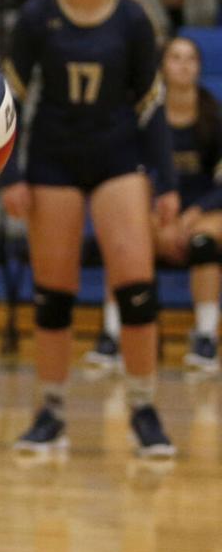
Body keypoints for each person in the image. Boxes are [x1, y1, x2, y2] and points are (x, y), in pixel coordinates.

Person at [1, 0, 178, 458]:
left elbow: (150, 105)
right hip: (53, 159)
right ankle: (51, 412)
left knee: (135, 286)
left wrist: (165, 182)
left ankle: (144, 409)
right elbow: (8, 99)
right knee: (54, 293)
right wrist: (13, 174)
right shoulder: (36, 18)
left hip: (118, 158)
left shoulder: (132, 18)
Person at [87, 34, 221, 374]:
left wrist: (190, 216)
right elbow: (135, 175)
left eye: (191, 58)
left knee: (204, 244)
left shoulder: (213, 117)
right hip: (153, 213)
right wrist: (156, 217)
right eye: (175, 58)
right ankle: (113, 335)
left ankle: (205, 338)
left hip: (202, 213)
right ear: (162, 67)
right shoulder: (144, 118)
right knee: (124, 241)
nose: (184, 65)